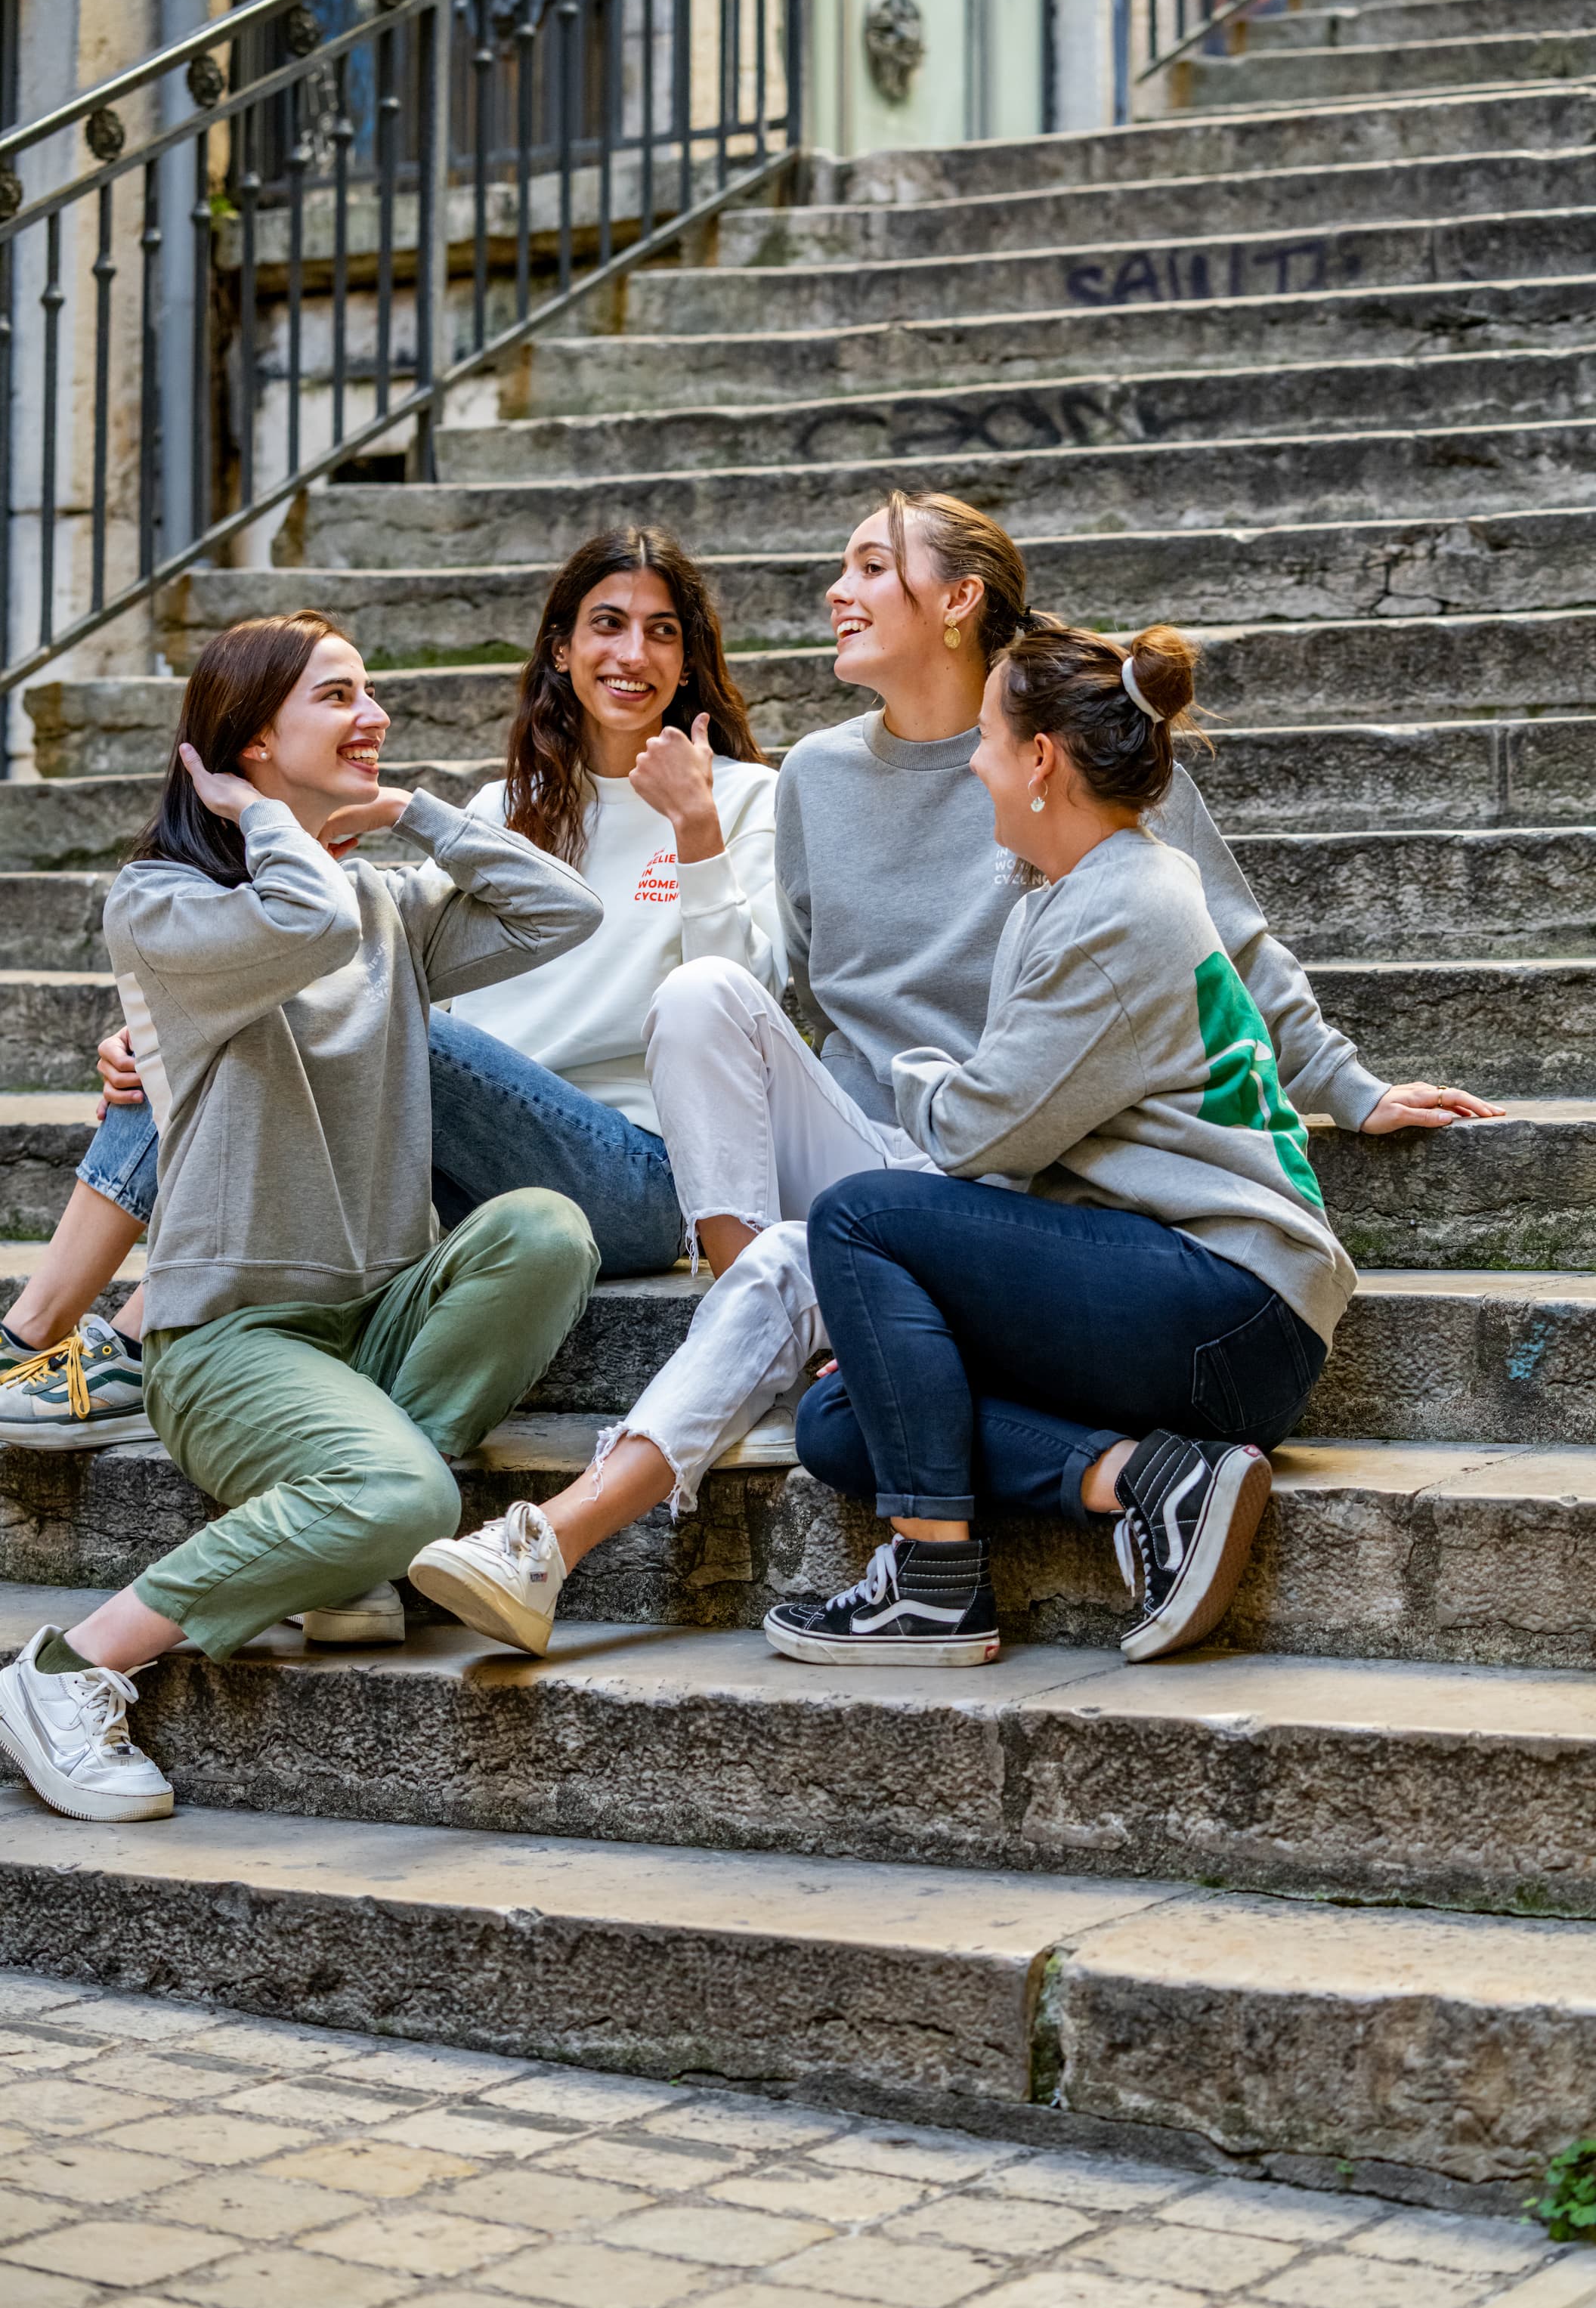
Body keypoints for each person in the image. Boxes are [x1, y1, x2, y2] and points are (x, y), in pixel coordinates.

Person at [401, 491, 1498, 1657]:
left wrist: (1342, 1082)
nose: (836, 591)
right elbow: (804, 997)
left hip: (1009, 1173)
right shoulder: (830, 779)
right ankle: (1104, 1471)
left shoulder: (1077, 757)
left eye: (871, 565)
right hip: (917, 1168)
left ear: (958, 602)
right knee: (832, 1384)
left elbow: (1230, 950)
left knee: (837, 1238)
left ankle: (602, 1535)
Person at [0, 612, 602, 1821]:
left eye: (369, 689)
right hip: (229, 1342)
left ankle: (350, 1551)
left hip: (370, 1316)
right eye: (339, 696)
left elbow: (563, 914)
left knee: (544, 1230)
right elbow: (306, 921)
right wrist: (257, 818)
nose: (374, 715)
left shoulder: (381, 899)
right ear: (251, 739)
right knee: (414, 1501)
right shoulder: (165, 907)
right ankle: (68, 1667)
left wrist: (416, 815)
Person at [0, 527, 781, 1455]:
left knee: (306, 995)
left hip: (635, 1171)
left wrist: (693, 829)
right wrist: (180, 1031)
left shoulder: (741, 797)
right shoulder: (504, 807)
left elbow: (747, 1000)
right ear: (561, 650)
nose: (634, 654)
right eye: (608, 625)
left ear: (690, 660)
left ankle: (83, 1333)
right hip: (449, 1167)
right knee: (261, 1018)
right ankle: (76, 1330)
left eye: (662, 632)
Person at [778, 622, 1352, 1667]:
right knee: (842, 1418)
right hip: (1184, 1301)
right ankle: (1145, 1479)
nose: (976, 766)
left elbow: (974, 1132)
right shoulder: (1081, 888)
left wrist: (899, 1069)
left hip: (1230, 1300)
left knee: (856, 1216)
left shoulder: (1119, 909)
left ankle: (933, 1589)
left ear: (1041, 759)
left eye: (987, 741)